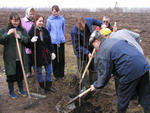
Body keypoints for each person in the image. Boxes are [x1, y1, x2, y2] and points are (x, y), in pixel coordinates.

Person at [89, 30, 150, 113]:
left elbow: (104, 73)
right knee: (145, 95)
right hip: (143, 65)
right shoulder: (114, 40)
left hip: (129, 70)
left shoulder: (103, 49)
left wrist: (96, 85)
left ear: (96, 42)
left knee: (122, 98)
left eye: (93, 45)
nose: (94, 48)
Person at [0, 12, 29, 99]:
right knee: (10, 74)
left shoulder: (22, 30)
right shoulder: (5, 29)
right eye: (14, 20)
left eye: (17, 20)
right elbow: (1, 40)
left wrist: (20, 37)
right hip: (10, 57)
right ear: (10, 20)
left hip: (20, 57)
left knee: (20, 74)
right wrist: (8, 34)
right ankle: (11, 91)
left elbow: (27, 40)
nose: (16, 22)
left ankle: (21, 89)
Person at [70, 17, 103, 92]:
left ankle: (94, 84)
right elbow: (77, 47)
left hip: (90, 48)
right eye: (79, 27)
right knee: (82, 70)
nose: (81, 28)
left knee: (93, 67)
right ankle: (84, 86)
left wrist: (102, 24)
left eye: (82, 26)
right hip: (80, 53)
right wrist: (86, 52)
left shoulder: (88, 21)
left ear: (85, 22)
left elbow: (95, 20)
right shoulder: (74, 32)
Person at [28, 14, 56, 95]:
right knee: (39, 72)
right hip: (37, 55)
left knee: (49, 71)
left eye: (42, 21)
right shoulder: (31, 31)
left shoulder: (45, 30)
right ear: (35, 21)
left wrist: (52, 52)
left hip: (46, 54)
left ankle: (48, 86)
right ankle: (42, 87)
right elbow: (27, 45)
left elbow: (49, 42)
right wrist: (31, 41)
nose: (41, 23)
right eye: (39, 21)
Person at [46, 5, 66, 80]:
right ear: (52, 11)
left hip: (61, 41)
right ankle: (56, 74)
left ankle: (62, 74)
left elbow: (63, 29)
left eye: (57, 11)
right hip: (52, 42)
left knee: (61, 58)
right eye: (54, 11)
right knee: (54, 58)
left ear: (59, 11)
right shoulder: (49, 20)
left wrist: (61, 36)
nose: (56, 13)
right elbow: (48, 30)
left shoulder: (62, 19)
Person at [21, 7, 36, 77]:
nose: (32, 15)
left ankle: (34, 71)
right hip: (24, 41)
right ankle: (27, 71)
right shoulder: (22, 21)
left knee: (32, 56)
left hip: (32, 42)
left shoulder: (34, 22)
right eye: (31, 14)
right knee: (26, 57)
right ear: (27, 13)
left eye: (33, 14)